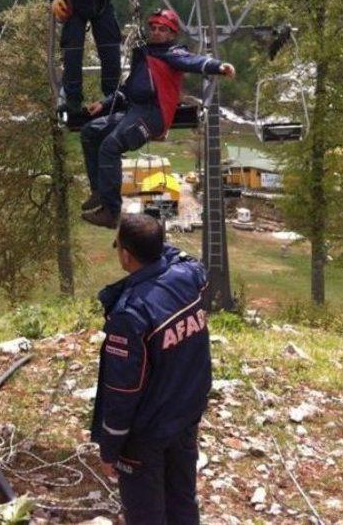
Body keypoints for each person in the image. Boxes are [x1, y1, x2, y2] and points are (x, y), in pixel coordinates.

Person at [91, 214, 211, 525]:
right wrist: (157, 249)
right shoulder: (188, 278)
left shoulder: (130, 316)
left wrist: (109, 449)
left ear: (126, 255)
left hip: (145, 435)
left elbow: (122, 391)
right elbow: (190, 261)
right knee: (182, 499)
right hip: (184, 417)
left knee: (145, 513)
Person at [80, 8, 235, 228]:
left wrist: (217, 66)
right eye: (153, 28)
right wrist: (104, 104)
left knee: (110, 146)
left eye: (162, 29)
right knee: (90, 132)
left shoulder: (171, 54)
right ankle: (99, 191)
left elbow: (192, 61)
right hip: (135, 110)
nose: (156, 32)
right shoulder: (144, 54)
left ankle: (111, 212)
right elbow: (128, 89)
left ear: (171, 34)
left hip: (153, 115)